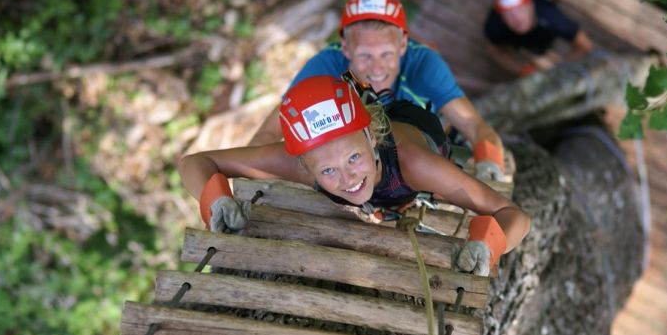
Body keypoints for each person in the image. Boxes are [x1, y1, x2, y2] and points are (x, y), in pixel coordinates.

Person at [180, 75, 531, 276]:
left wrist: (491, 245)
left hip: (412, 131)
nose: (348, 179)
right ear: (304, 165)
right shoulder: (298, 162)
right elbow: (195, 162)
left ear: (371, 137)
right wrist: (216, 199)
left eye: (353, 158)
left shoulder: (416, 164)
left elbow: (512, 215)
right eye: (328, 170)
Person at [248, 0, 509, 182]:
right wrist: (254, 183)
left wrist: (491, 166)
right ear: (346, 48)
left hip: (419, 149)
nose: (376, 68)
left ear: (403, 46)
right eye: (364, 55)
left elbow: (474, 126)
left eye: (386, 54)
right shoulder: (326, 65)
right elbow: (268, 133)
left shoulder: (424, 63)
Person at [484, 0, 593, 78]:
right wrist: (522, 70)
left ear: (531, 6)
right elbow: (494, 50)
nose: (517, 19)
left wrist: (559, 69)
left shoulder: (550, 16)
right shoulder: (495, 24)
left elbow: (585, 45)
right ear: (501, 16)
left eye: (520, 10)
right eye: (509, 14)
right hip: (521, 45)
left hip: (546, 38)